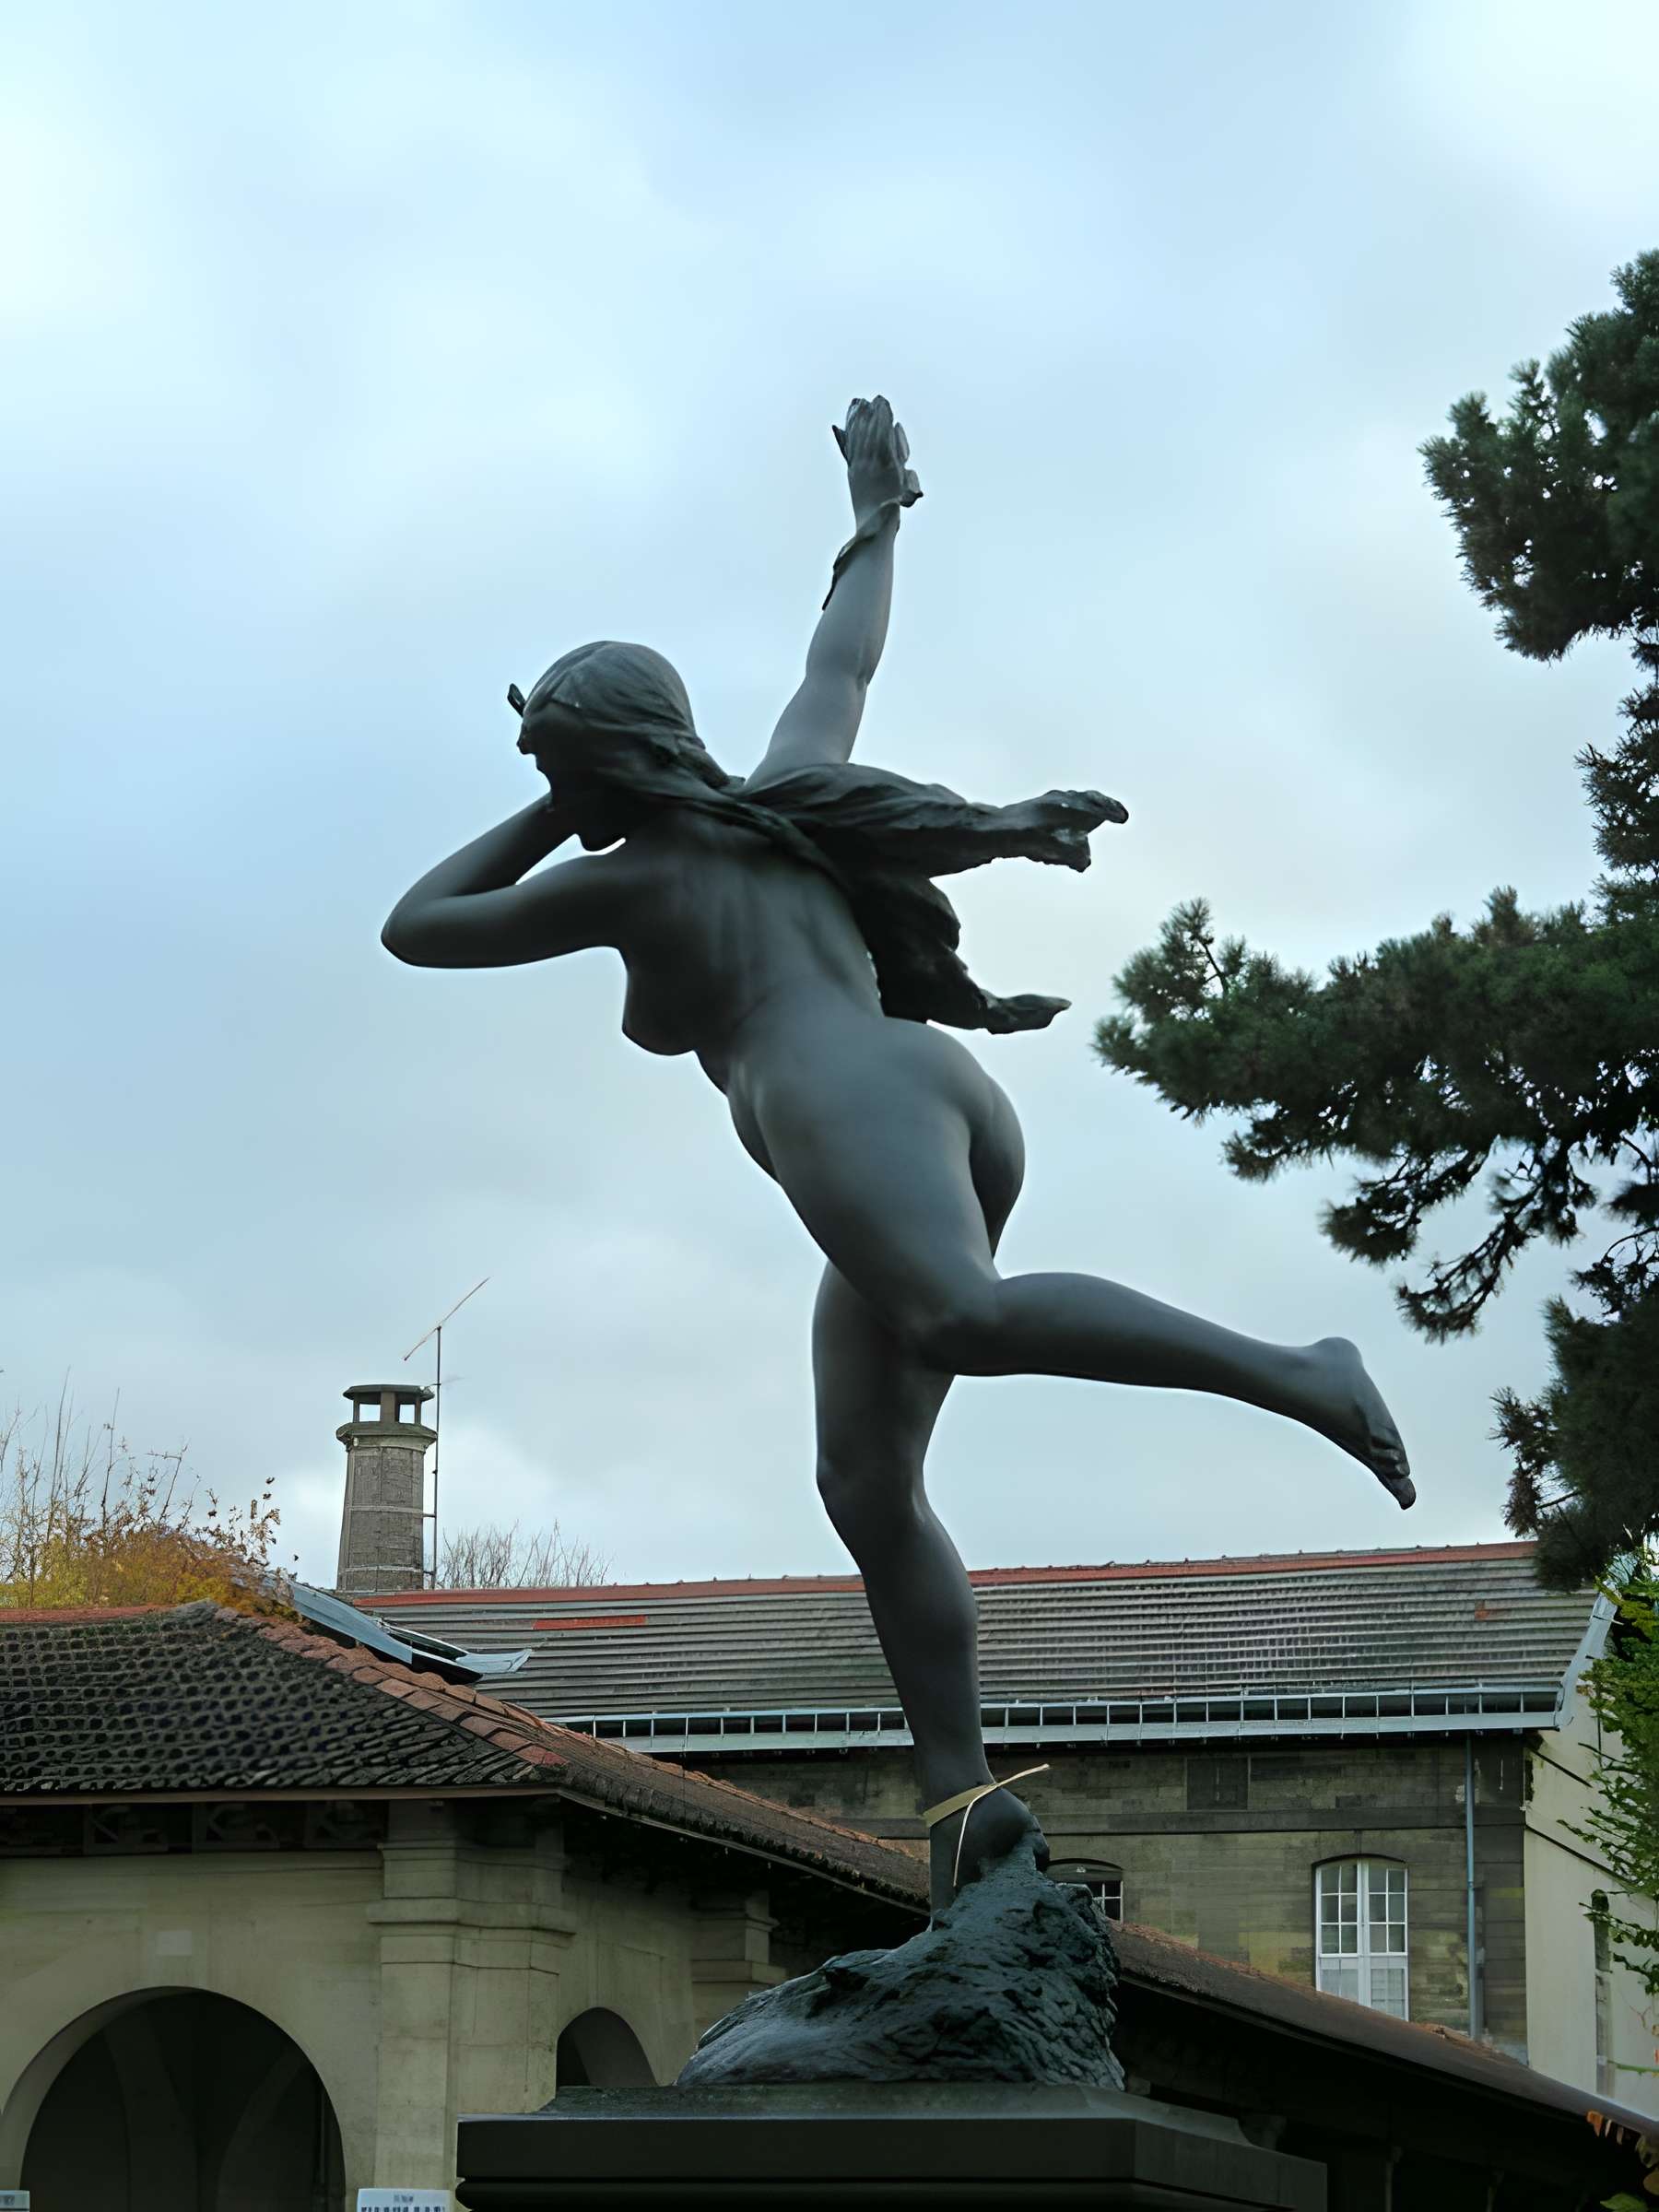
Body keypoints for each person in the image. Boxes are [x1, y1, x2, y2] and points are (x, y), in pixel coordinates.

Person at [382, 397, 1414, 1913]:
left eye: (557, 758)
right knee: (866, 1481)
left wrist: (553, 801)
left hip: (851, 1112)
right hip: (930, 1095)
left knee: (962, 1318)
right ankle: (968, 1804)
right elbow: (837, 661)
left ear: (594, 765)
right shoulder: (779, 799)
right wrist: (877, 519)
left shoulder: (637, 873)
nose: (554, 786)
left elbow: (418, 929)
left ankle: (1302, 1370)